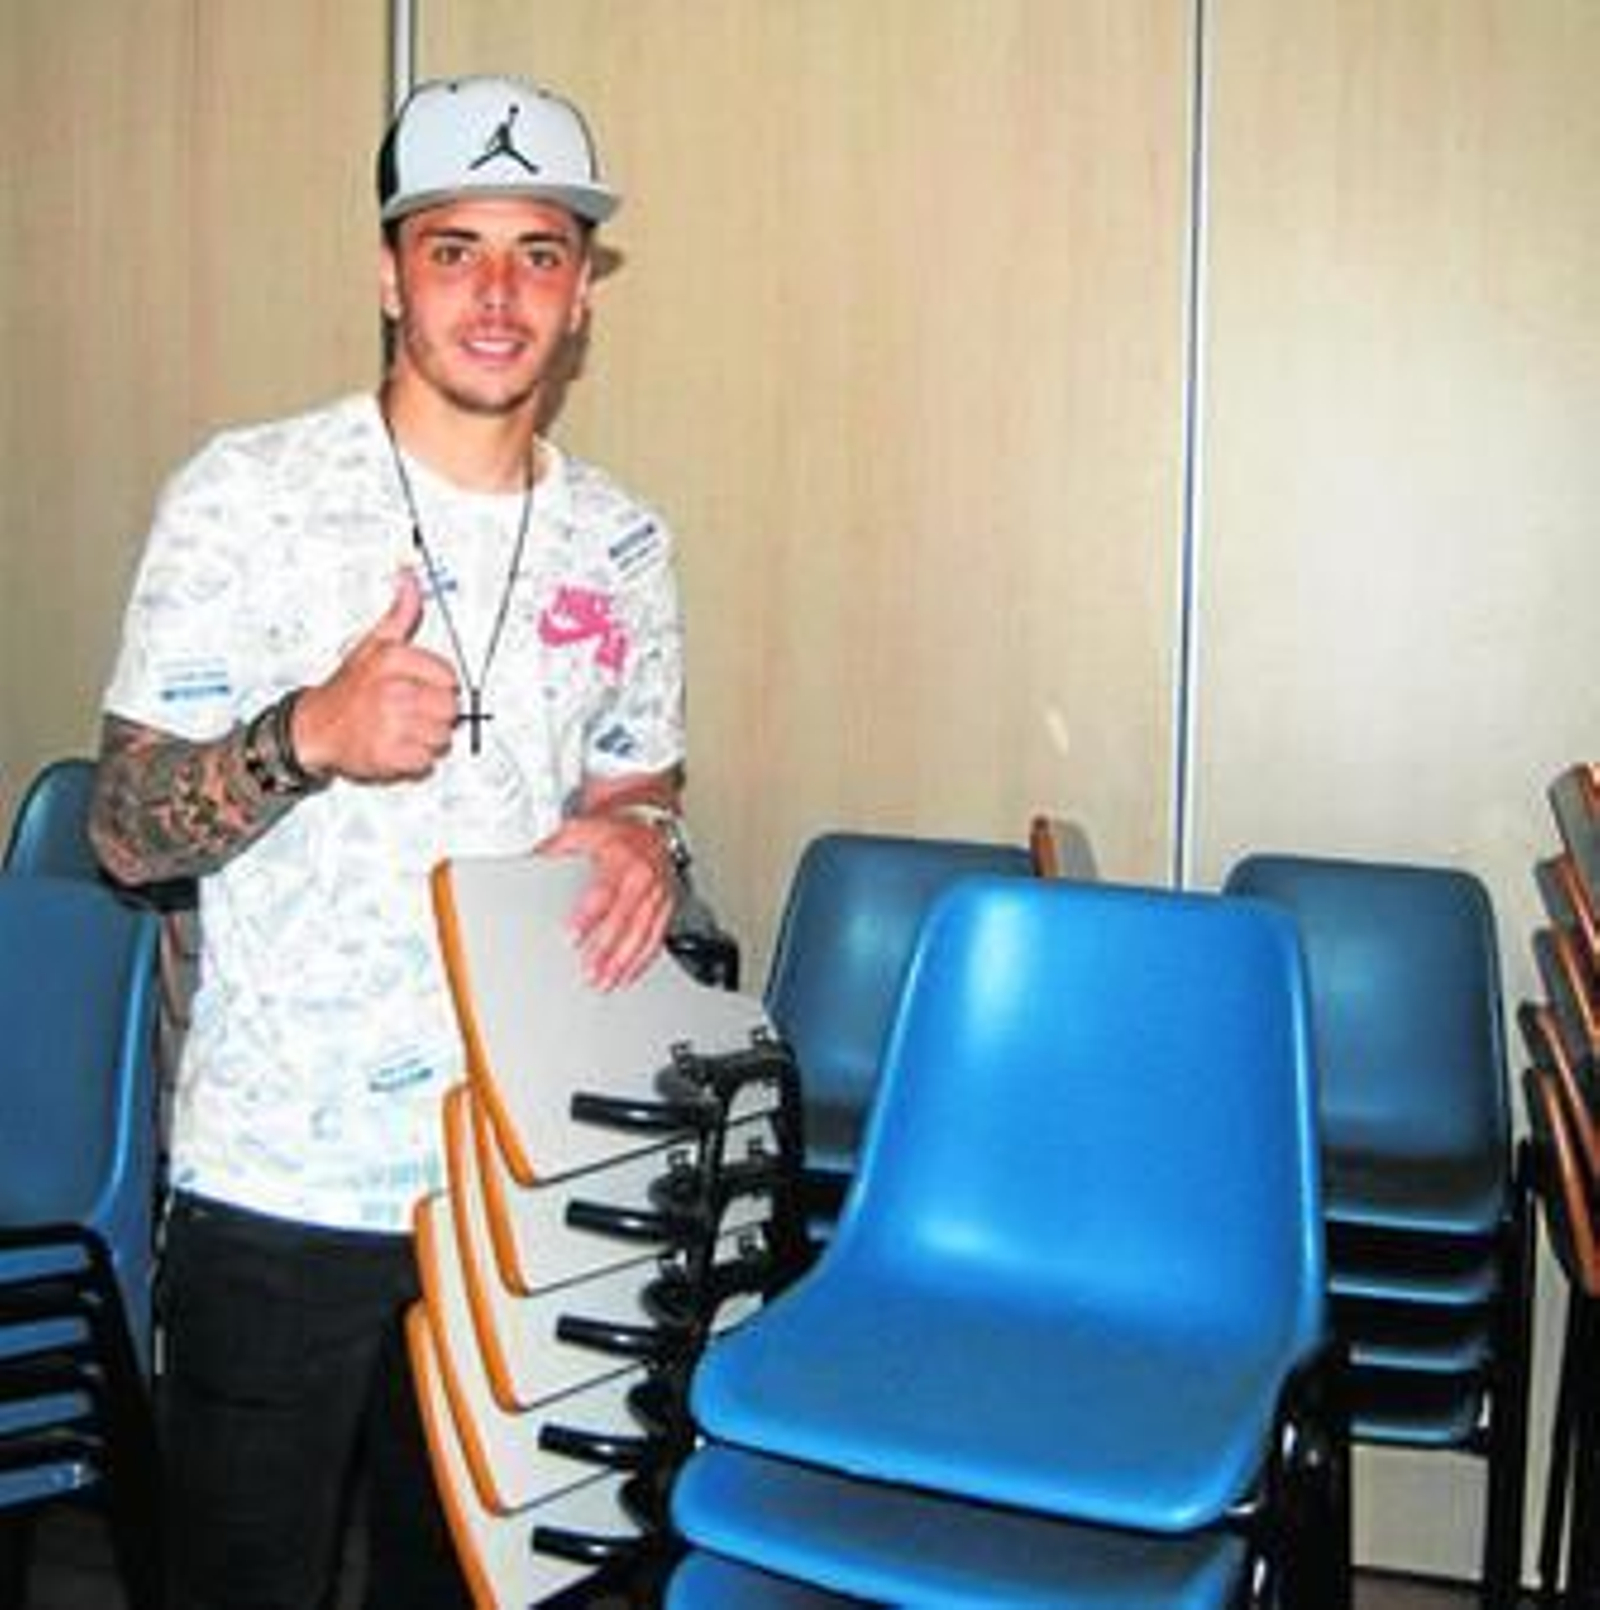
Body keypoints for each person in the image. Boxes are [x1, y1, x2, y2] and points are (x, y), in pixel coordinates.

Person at [90, 73, 689, 1609]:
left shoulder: (626, 543)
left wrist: (647, 843)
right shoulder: (244, 497)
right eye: (454, 248)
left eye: (539, 252)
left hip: (515, 1185)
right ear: (387, 272)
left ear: (581, 296)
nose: (498, 293)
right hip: (278, 1180)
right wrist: (310, 734)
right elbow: (127, 834)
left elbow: (638, 787)